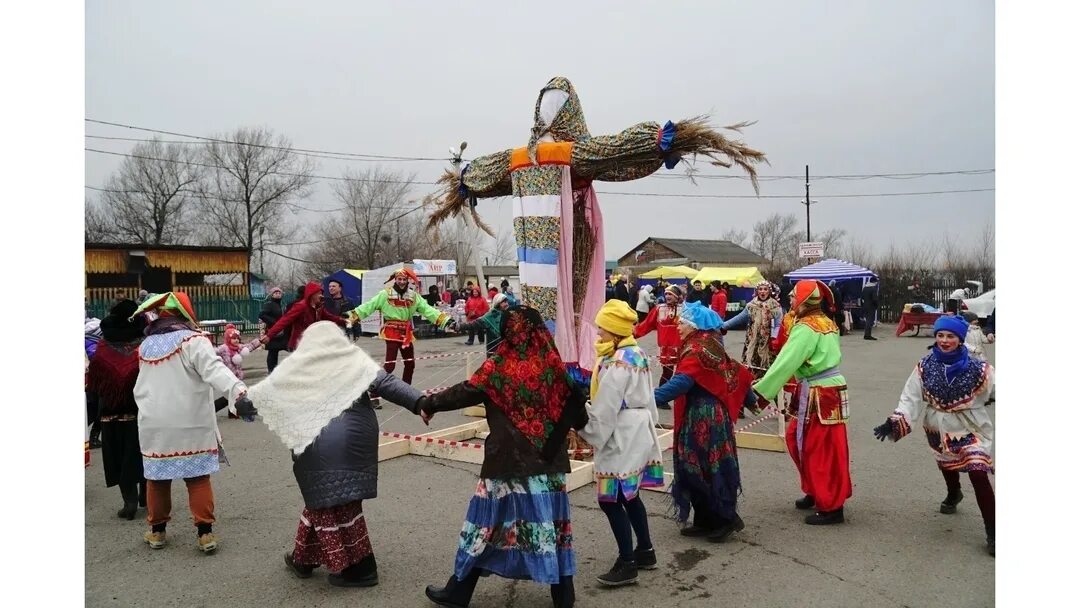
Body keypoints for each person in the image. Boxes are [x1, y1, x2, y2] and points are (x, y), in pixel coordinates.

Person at [417, 306, 587, 608]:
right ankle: (564, 596)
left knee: (486, 525)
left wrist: (429, 403)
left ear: (507, 331)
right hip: (548, 463)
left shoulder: (498, 367)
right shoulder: (553, 365)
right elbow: (577, 409)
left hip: (507, 462)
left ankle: (459, 591)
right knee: (552, 524)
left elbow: (465, 391)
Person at [247, 321, 427, 586]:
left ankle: (361, 570)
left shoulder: (299, 366)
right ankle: (302, 560)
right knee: (325, 503)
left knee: (334, 507)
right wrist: (421, 402)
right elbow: (386, 382)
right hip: (357, 444)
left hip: (317, 446)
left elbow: (258, 397)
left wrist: (233, 401)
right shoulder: (352, 359)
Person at [130, 292, 251, 552]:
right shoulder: (194, 341)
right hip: (190, 421)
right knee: (197, 478)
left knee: (157, 479)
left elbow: (141, 384)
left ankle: (157, 532)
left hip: (154, 422)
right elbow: (215, 370)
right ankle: (205, 533)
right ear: (185, 313)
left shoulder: (145, 345)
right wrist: (238, 392)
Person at [872, 316, 996, 555]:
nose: (944, 340)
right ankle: (953, 493)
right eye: (940, 335)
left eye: (950, 336)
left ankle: (994, 532)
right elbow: (911, 397)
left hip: (970, 425)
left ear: (960, 339)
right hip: (937, 425)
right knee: (947, 462)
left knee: (978, 472)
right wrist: (895, 422)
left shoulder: (978, 368)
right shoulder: (925, 366)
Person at [578, 300, 664, 587]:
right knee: (631, 494)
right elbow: (649, 396)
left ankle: (627, 563)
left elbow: (606, 408)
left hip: (621, 432)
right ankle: (645, 550)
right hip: (637, 429)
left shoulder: (616, 363)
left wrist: (586, 429)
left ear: (614, 331)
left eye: (602, 328)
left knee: (611, 499)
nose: (598, 333)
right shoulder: (636, 353)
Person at [752, 280, 852, 525]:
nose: (790, 299)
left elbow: (787, 361)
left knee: (820, 449)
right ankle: (815, 490)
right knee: (799, 441)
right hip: (816, 389)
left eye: (794, 296)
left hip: (819, 392)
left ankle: (831, 505)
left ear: (805, 300)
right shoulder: (827, 322)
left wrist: (760, 392)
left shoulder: (807, 327)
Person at [654, 302, 750, 542]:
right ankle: (705, 518)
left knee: (707, 466)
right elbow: (734, 370)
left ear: (695, 326)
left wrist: (648, 399)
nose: (678, 325)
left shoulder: (697, 349)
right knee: (698, 466)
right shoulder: (709, 343)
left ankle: (725, 519)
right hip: (704, 413)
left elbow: (682, 382)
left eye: (683, 323)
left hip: (705, 416)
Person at [86, 299, 148, 520]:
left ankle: (128, 502)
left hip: (110, 413)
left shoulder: (102, 346)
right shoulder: (144, 344)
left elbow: (94, 385)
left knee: (119, 456)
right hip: (141, 411)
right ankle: (145, 496)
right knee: (142, 452)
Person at [346, 268, 455, 386]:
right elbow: (369, 306)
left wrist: (445, 320)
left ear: (407, 280)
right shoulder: (385, 294)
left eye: (404, 279)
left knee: (410, 364)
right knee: (390, 365)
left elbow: (428, 310)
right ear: (395, 280)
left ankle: (405, 390)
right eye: (399, 279)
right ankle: (374, 390)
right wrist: (352, 316)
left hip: (406, 333)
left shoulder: (413, 296)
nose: (402, 282)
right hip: (391, 332)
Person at [262, 282, 347, 353]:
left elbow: (330, 317)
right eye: (319, 293)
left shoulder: (319, 307)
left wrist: (345, 321)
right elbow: (284, 320)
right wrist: (269, 335)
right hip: (299, 344)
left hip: (312, 343)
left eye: (321, 293)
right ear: (312, 294)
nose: (321, 296)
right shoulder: (301, 306)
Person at [634, 284, 685, 401]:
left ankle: (682, 399)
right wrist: (631, 334)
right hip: (666, 347)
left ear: (677, 296)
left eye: (670, 294)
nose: (667, 296)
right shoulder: (659, 309)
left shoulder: (685, 309)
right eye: (666, 294)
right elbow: (646, 325)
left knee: (682, 374)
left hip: (683, 346)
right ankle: (662, 398)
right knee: (667, 373)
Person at [722, 281, 783, 377]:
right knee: (750, 368)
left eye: (765, 289)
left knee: (767, 369)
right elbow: (739, 318)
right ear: (757, 291)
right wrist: (723, 325)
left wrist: (774, 338)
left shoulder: (775, 306)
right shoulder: (751, 306)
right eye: (760, 289)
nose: (763, 292)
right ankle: (750, 388)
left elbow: (778, 324)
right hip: (752, 343)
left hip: (768, 344)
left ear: (769, 292)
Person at [213, 324, 262, 417]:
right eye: (233, 338)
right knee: (231, 396)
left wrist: (258, 342)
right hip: (227, 376)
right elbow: (214, 352)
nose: (236, 340)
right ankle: (213, 409)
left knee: (233, 395)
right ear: (228, 339)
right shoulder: (224, 348)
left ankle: (232, 413)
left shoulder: (238, 347)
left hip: (237, 376)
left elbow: (249, 347)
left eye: (237, 338)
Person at [456, 293, 511, 359]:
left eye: (507, 302)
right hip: (493, 352)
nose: (507, 304)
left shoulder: (508, 315)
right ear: (498, 303)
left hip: (508, 353)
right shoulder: (490, 316)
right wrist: (459, 326)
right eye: (504, 302)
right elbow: (473, 325)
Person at [259, 287, 288, 373]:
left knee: (277, 350)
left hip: (280, 331)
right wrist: (274, 322)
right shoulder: (269, 304)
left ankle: (274, 370)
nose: (278, 294)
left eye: (279, 293)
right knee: (273, 351)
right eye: (276, 293)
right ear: (272, 295)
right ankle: (271, 370)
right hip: (272, 331)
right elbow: (262, 315)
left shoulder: (281, 304)